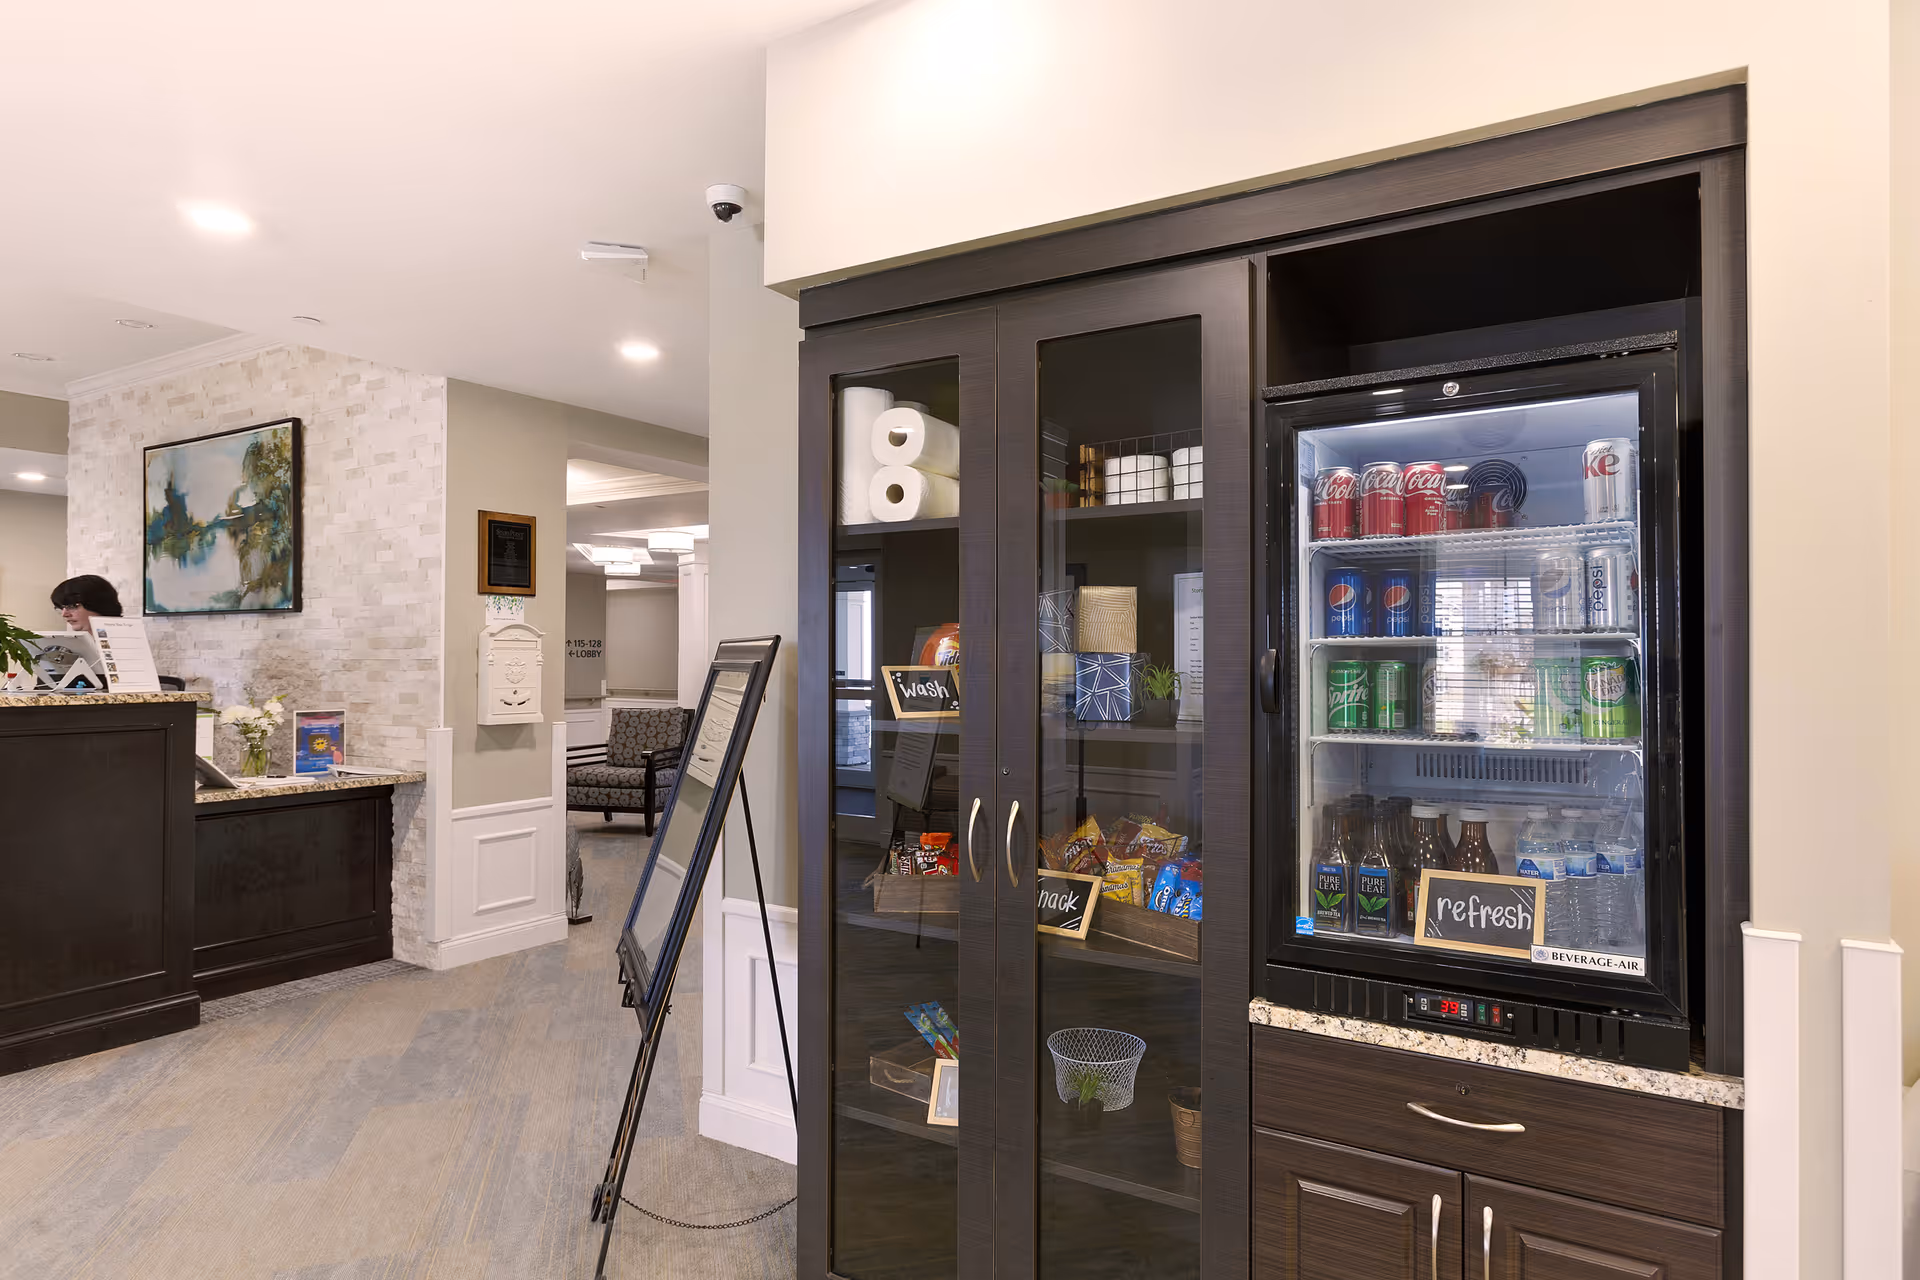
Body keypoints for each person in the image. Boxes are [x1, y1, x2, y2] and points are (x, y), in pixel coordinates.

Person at [50, 575, 124, 633]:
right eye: (61, 608)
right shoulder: (70, 647)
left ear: (97, 604)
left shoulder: (130, 643)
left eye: (72, 606)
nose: (64, 614)